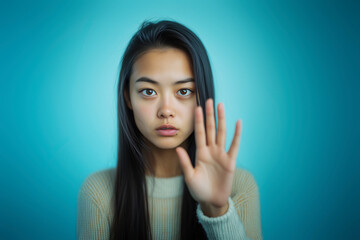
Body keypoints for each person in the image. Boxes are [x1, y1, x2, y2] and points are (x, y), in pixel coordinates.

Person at [77, 19, 263, 240]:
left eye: (184, 92)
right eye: (148, 91)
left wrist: (217, 210)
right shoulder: (98, 193)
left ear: (202, 95)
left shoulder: (239, 187)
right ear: (127, 97)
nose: (166, 110)